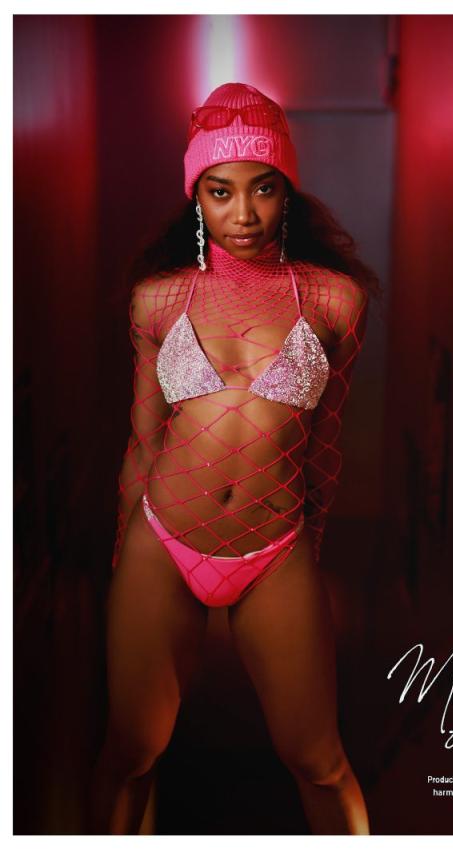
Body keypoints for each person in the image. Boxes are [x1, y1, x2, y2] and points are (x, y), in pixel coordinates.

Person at [88, 82, 378, 835]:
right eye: (220, 192)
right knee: (131, 753)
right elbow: (142, 441)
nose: (243, 214)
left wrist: (308, 549)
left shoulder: (335, 300)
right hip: (163, 541)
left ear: (288, 190)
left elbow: (326, 444)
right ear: (196, 196)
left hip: (274, 547)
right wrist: (122, 562)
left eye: (263, 188)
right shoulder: (158, 300)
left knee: (321, 761)